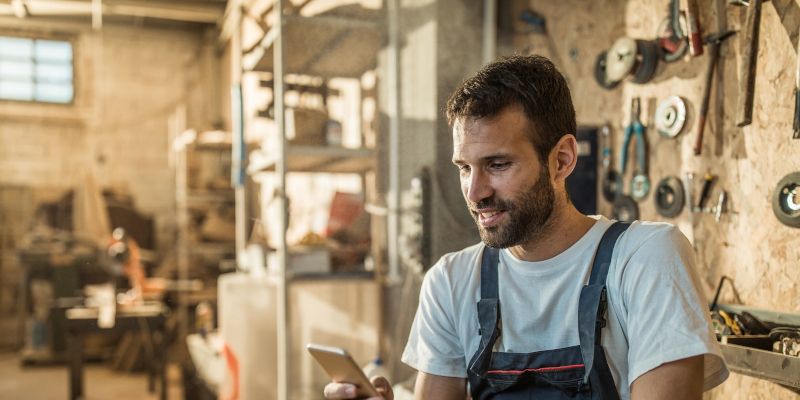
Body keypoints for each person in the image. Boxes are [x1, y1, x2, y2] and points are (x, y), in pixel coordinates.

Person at [324, 54, 728, 400]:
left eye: (497, 165)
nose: (475, 192)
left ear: (562, 159)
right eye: (465, 168)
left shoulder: (645, 258)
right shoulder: (450, 282)